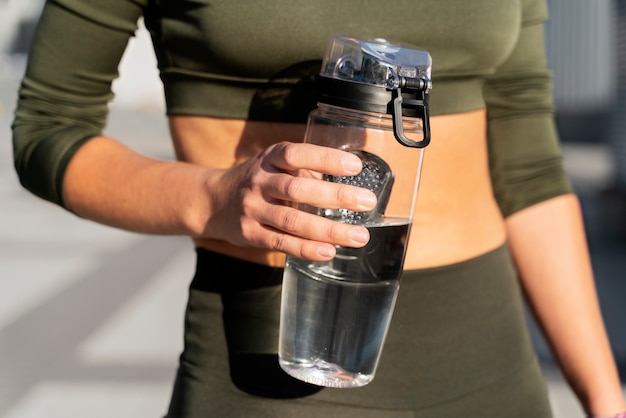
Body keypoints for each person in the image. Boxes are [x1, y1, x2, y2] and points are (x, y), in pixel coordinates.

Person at [11, 0, 626, 416]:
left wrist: (605, 396)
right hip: (279, 364)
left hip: (492, 363)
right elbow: (48, 129)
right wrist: (213, 198)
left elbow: (530, 172)